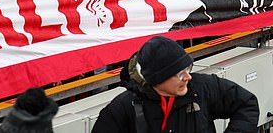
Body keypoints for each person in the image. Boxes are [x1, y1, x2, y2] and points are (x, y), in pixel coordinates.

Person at [92, 36, 259, 133]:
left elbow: (246, 104)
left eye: (188, 68)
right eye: (179, 74)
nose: (188, 77)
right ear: (157, 78)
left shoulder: (201, 88)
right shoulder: (123, 107)